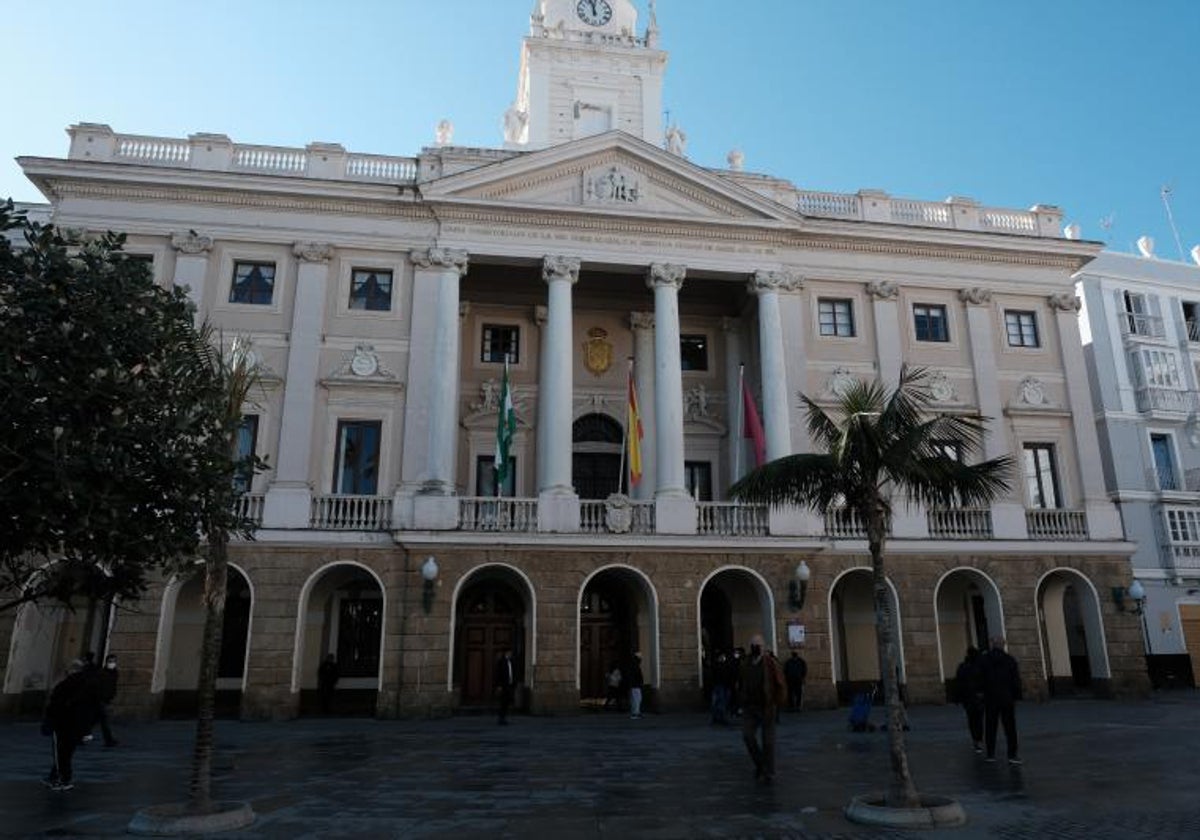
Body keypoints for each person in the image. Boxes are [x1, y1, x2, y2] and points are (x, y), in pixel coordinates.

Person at [737, 634, 788, 784]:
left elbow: (780, 683)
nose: (754, 648)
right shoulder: (745, 663)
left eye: (757, 645)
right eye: (752, 645)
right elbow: (741, 682)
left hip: (766, 706)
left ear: (763, 647)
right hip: (749, 706)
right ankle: (760, 764)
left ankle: (769, 772)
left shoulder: (770, 663)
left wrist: (778, 702)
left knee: (768, 742)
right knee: (747, 736)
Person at [41, 660, 97, 792]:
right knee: (66, 753)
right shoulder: (87, 686)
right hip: (76, 725)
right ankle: (54, 777)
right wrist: (86, 730)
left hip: (62, 723)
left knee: (60, 753)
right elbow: (89, 710)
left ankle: (63, 780)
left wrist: (49, 721)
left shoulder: (65, 685)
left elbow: (54, 705)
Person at [979, 636, 1022, 764]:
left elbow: (979, 677)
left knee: (990, 726)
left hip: (990, 697)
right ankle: (1012, 754)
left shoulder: (984, 659)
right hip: (1007, 698)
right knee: (1010, 727)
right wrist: (1016, 696)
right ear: (1003, 645)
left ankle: (991, 754)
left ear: (992, 644)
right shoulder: (1010, 660)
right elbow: (1015, 680)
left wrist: (980, 693)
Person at [955, 646, 984, 753]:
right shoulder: (980, 666)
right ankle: (979, 738)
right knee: (979, 719)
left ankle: (975, 739)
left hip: (968, 698)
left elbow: (958, 683)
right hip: (978, 696)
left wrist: (958, 697)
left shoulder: (963, 667)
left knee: (972, 719)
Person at [96, 654, 120, 747]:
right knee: (105, 721)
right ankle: (109, 740)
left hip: (107, 699)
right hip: (100, 699)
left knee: (95, 720)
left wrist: (112, 696)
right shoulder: (101, 673)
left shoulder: (115, 673)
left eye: (113, 661)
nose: (112, 663)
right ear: (106, 662)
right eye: (110, 661)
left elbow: (113, 686)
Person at [494, 648, 516, 725]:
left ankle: (503, 717)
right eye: (510, 653)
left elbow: (513, 673)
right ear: (507, 653)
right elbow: (498, 674)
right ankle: (501, 718)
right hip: (503, 685)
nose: (511, 654)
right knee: (503, 702)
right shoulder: (501, 662)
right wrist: (499, 685)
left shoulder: (512, 662)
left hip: (509, 685)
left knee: (507, 702)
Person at [710, 651, 733, 725]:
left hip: (723, 685)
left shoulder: (724, 666)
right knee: (720, 703)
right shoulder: (719, 666)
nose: (723, 658)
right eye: (722, 657)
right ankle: (720, 718)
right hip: (720, 686)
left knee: (720, 703)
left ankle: (718, 718)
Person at [627, 652, 645, 719]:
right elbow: (636, 676)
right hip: (635, 685)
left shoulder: (634, 665)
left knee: (636, 699)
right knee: (636, 699)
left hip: (635, 685)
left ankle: (636, 712)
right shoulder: (635, 666)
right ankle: (635, 713)